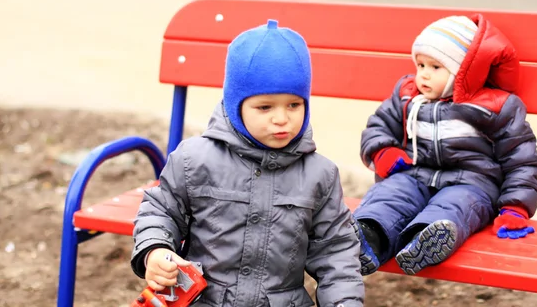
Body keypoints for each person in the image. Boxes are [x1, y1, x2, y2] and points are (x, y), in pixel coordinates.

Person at [130, 19, 364, 307]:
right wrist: (155, 250)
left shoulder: (320, 175)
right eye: (265, 107)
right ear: (235, 106)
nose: (281, 118)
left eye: (294, 104)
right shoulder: (194, 159)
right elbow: (160, 209)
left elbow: (335, 252)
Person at [353, 15, 537, 276]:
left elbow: (521, 159)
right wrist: (382, 151)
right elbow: (379, 126)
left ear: (462, 71)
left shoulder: (495, 106)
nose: (423, 75)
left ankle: (427, 239)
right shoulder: (407, 95)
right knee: (391, 195)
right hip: (414, 174)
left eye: (435, 67)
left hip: (472, 184)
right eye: (420, 64)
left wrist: (516, 206)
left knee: (456, 205)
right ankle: (367, 239)